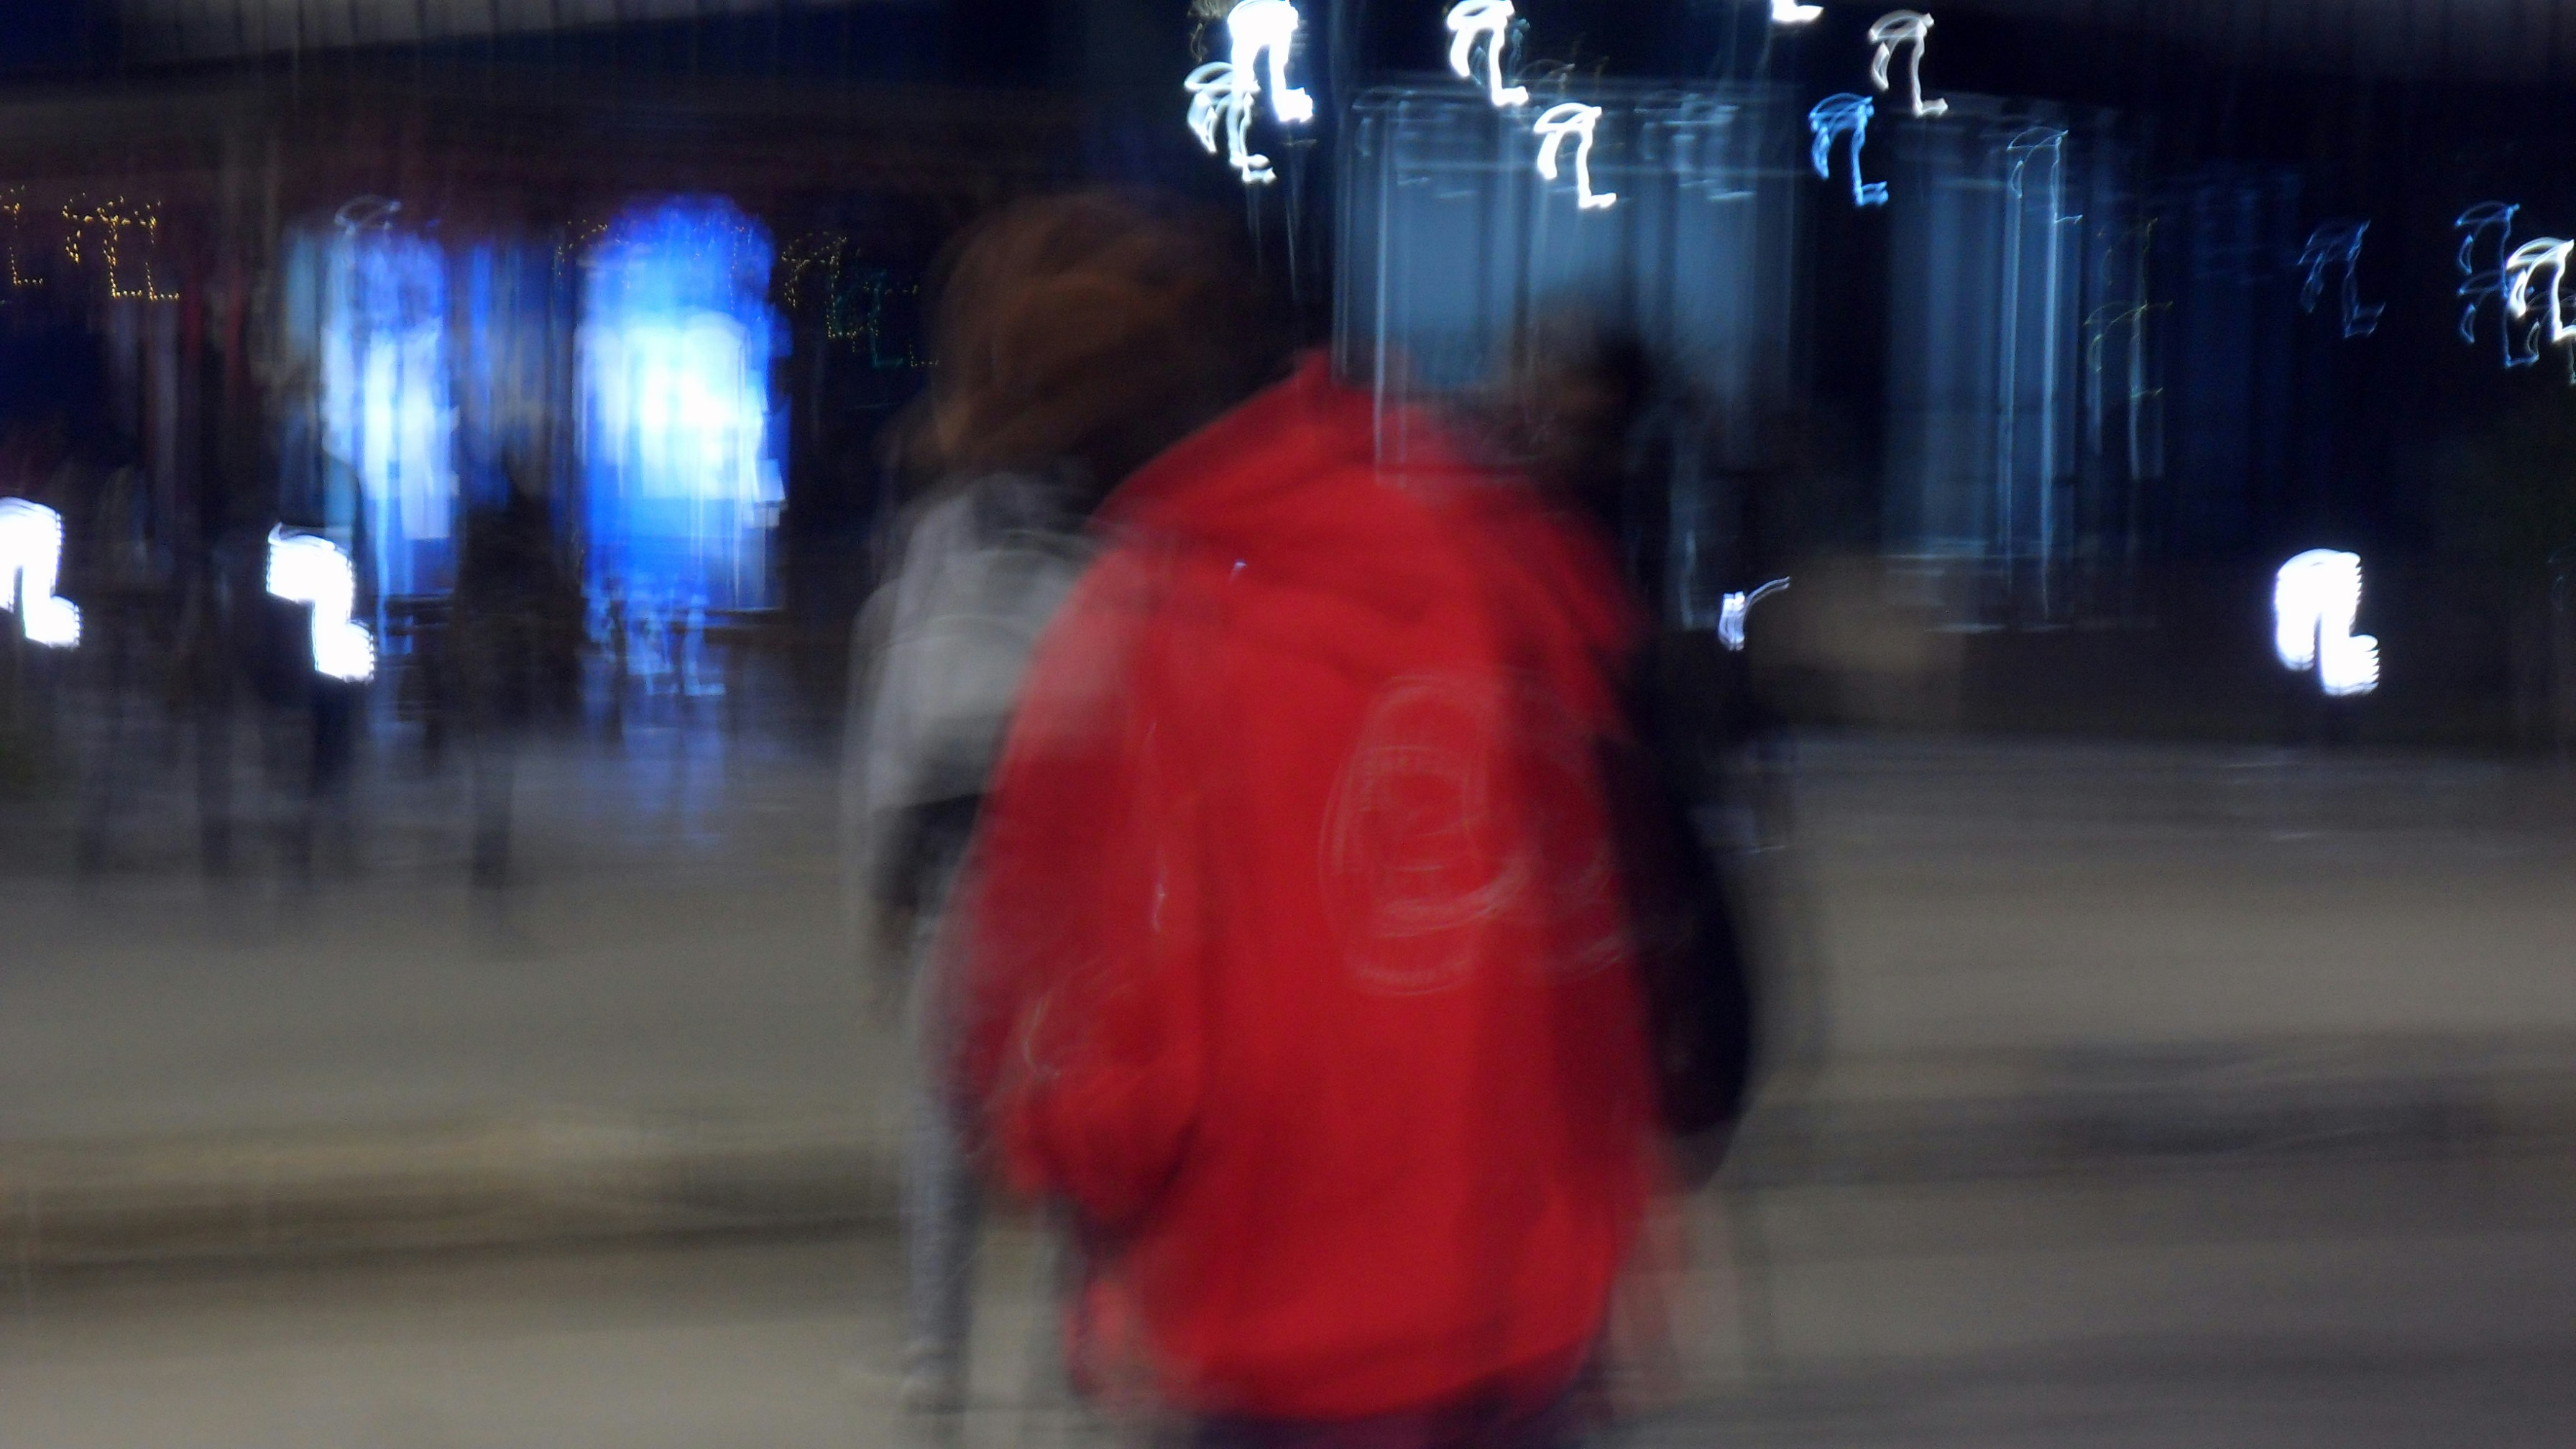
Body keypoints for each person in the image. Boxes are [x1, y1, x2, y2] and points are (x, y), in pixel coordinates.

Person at [943, 315, 1693, 1440]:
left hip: (1279, 1330)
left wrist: (1057, 1156)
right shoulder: (1499, 549)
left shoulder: (1144, 623)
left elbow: (1092, 1035)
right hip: (1526, 1304)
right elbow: (1599, 922)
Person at [842, 191, 1274, 1416]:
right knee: (1079, 1101)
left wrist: (881, 888)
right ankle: (1074, 1351)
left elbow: (900, 718)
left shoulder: (951, 533)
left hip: (977, 845)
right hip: (1081, 843)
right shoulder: (1132, 523)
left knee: (954, 1112)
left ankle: (940, 1360)